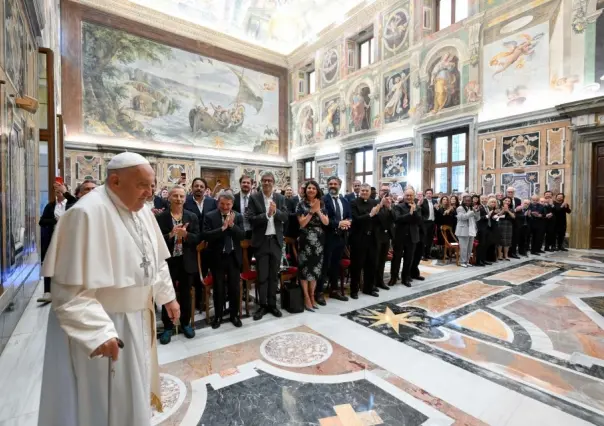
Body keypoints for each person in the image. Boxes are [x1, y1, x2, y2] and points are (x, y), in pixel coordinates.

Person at [38, 152, 180, 426]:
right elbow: (69, 291)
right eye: (143, 186)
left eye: (152, 186)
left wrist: (168, 297)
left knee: (133, 394)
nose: (150, 193)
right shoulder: (85, 213)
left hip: (138, 318)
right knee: (107, 403)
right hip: (107, 325)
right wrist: (99, 332)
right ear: (115, 181)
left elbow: (155, 261)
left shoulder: (142, 211)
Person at [156, 186, 199, 344]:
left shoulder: (192, 216)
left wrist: (186, 234)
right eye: (175, 196)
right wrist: (171, 234)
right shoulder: (161, 218)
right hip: (168, 262)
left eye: (181, 196)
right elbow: (156, 240)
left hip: (186, 260)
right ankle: (168, 327)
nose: (178, 199)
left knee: (186, 294)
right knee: (167, 293)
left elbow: (198, 238)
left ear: (185, 198)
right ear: (169, 198)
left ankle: (186, 323)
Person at [247, 171, 288, 320]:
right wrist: (266, 215)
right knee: (262, 276)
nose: (267, 183)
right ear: (260, 182)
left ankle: (272, 304)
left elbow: (285, 217)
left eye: (270, 180)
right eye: (264, 180)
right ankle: (262, 305)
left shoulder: (280, 198)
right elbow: (250, 218)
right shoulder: (254, 198)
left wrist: (275, 212)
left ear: (273, 183)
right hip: (261, 242)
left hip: (275, 241)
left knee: (273, 275)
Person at [204, 192, 245, 328]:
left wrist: (232, 226)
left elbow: (242, 236)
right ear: (218, 203)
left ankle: (234, 315)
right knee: (219, 288)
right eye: (222, 204)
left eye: (228, 204)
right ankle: (218, 316)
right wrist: (222, 228)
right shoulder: (210, 216)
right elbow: (207, 236)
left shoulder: (238, 216)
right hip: (218, 257)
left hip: (233, 256)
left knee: (234, 288)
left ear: (232, 204)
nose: (225, 207)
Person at [37, 182, 77, 304]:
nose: (59, 193)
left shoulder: (71, 204)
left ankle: (69, 290)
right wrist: (55, 220)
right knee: (49, 263)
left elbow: (75, 202)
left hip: (69, 240)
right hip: (53, 239)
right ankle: (47, 291)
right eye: (56, 191)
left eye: (60, 191)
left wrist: (65, 192)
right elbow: (42, 221)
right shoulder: (50, 206)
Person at [296, 180, 329, 310]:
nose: (311, 190)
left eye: (313, 188)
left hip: (319, 241)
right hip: (305, 240)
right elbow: (302, 223)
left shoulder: (322, 203)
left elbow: (326, 222)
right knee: (305, 269)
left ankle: (312, 295)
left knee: (315, 270)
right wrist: (311, 211)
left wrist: (318, 211)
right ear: (305, 190)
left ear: (317, 191)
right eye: (309, 188)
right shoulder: (301, 204)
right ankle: (306, 297)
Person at [318, 176, 351, 304]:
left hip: (341, 237)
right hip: (328, 237)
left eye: (335, 184)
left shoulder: (344, 200)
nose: (332, 186)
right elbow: (324, 220)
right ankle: (319, 292)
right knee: (324, 265)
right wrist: (338, 223)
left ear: (339, 185)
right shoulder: (323, 200)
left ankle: (334, 290)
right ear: (327, 185)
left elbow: (349, 215)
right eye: (330, 183)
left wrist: (348, 222)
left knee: (336, 265)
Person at [350, 183, 380, 298]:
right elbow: (356, 219)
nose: (364, 193)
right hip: (359, 238)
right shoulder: (354, 203)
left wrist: (377, 214)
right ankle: (354, 290)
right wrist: (370, 215)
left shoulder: (374, 202)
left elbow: (377, 219)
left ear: (369, 192)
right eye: (362, 191)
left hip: (372, 238)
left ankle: (369, 288)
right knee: (357, 265)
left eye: (366, 191)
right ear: (359, 191)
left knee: (371, 264)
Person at [390, 189, 421, 287]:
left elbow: (419, 221)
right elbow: (398, 219)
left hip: (412, 237)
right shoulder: (398, 207)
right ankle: (393, 278)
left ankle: (405, 278)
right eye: (407, 195)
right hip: (400, 236)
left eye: (411, 195)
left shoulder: (417, 208)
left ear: (414, 196)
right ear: (404, 196)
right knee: (396, 259)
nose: (409, 197)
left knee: (409, 259)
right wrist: (410, 213)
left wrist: (414, 212)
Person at [455, 195, 480, 267]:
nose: (468, 202)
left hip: (471, 229)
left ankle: (467, 261)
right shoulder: (460, 208)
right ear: (463, 201)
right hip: (463, 230)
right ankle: (462, 262)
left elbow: (477, 218)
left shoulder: (471, 208)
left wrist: (477, 211)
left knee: (469, 248)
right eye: (466, 200)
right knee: (464, 248)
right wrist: (471, 212)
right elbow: (462, 217)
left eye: (469, 201)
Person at [497, 196, 516, 261]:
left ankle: (506, 255)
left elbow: (513, 216)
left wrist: (508, 210)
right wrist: (503, 210)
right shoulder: (498, 207)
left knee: (507, 240)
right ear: (503, 201)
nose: (507, 202)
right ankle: (500, 255)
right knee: (500, 240)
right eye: (506, 200)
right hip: (500, 224)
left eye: (509, 201)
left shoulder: (511, 208)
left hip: (508, 225)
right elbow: (497, 215)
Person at [421, 188, 437, 260]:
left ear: (432, 194)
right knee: (424, 239)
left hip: (432, 222)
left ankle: (428, 254)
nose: (429, 195)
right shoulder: (423, 201)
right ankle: (423, 255)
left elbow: (437, 211)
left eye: (430, 193)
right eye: (427, 193)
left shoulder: (435, 201)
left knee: (430, 239)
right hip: (425, 222)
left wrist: (437, 208)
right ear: (425, 194)